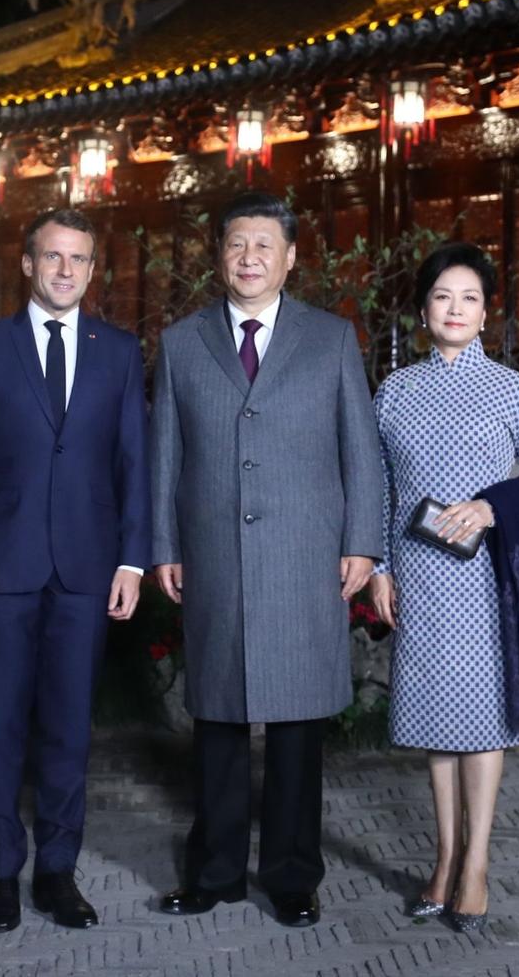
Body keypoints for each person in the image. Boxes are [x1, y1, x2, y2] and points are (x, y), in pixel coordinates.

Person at [150, 191, 385, 928]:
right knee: (216, 720)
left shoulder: (331, 338)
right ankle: (214, 871)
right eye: (234, 245)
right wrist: (163, 545)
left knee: (295, 728)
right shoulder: (182, 342)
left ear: (289, 258)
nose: (248, 258)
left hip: (304, 556)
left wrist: (363, 543)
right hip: (214, 555)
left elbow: (361, 451)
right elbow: (166, 454)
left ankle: (291, 876)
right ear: (218, 257)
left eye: (263, 246)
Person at [0, 207, 150, 933]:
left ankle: (57, 872)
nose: (66, 271)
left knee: (69, 728)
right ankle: (1, 871)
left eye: (79, 259)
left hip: (88, 569)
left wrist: (132, 558)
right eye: (53, 257)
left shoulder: (120, 352)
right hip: (2, 568)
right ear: (27, 264)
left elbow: (134, 463)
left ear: (94, 270)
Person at [368, 241, 519, 933]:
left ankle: (476, 863)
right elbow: (381, 489)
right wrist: (382, 569)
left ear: (486, 314)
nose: (456, 309)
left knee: (481, 723)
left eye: (470, 298)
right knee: (434, 724)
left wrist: (491, 506)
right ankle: (444, 858)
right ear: (423, 310)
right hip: (418, 577)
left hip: (484, 577)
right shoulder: (394, 390)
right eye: (443, 297)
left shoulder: (512, 389)